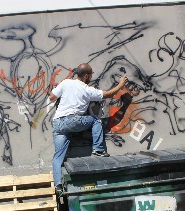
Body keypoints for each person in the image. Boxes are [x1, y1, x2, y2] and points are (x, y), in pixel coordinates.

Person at [49, 63, 128, 192]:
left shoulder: (66, 83)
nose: (92, 76)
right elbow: (108, 94)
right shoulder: (87, 89)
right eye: (91, 74)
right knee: (96, 120)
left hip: (58, 123)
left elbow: (52, 97)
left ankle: (58, 185)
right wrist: (120, 85)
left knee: (58, 157)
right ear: (86, 76)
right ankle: (98, 149)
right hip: (73, 121)